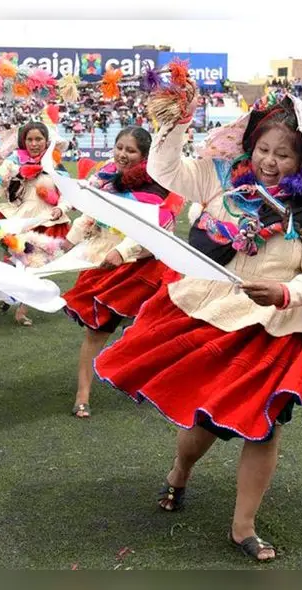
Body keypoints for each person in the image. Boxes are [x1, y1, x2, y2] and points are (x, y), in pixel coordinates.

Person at [94, 92, 302, 562]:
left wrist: (284, 293)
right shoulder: (218, 178)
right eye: (263, 150)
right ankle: (180, 472)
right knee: (205, 421)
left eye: (283, 154)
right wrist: (174, 126)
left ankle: (243, 526)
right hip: (211, 316)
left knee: (265, 427)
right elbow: (166, 171)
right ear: (250, 146)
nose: (269, 161)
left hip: (274, 330)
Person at [60, 126, 180, 418]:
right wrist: (70, 240)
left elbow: (153, 227)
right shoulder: (105, 177)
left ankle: (139, 379)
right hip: (105, 263)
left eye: (131, 150)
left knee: (146, 330)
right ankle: (82, 395)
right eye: (120, 148)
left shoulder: (157, 185)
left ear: (144, 155)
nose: (123, 155)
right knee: (96, 332)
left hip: (143, 266)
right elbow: (89, 213)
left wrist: (123, 252)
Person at [0, 121, 71, 326]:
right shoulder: (13, 161)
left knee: (36, 265)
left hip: (48, 220)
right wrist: (7, 178)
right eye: (30, 139)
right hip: (20, 219)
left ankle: (22, 309)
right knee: (11, 259)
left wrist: (61, 208)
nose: (34, 144)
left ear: (47, 141)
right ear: (23, 141)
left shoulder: (54, 164)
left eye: (39, 139)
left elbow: (69, 194)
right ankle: (8, 294)